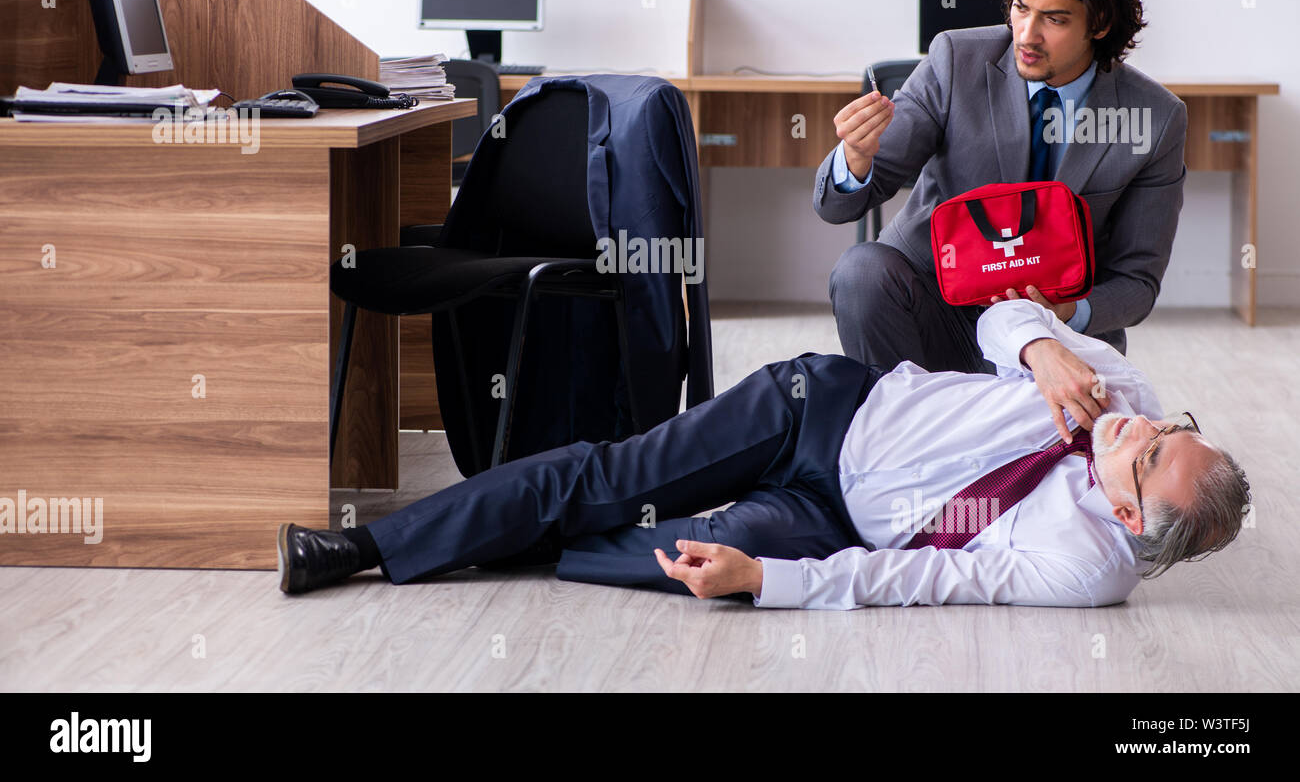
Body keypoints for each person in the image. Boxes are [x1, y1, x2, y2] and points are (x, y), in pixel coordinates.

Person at [277, 299, 1249, 609]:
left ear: (1128, 519)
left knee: (702, 557)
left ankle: (516, 537)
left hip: (835, 518)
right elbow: (1002, 313)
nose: (1135, 426)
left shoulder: (1081, 569)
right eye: (1166, 429)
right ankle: (366, 548)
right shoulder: (1116, 391)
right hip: (819, 413)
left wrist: (770, 580)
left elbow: (921, 584)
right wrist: (1041, 351)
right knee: (612, 478)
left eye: (1143, 455)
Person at [814, 0, 1187, 372]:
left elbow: (1137, 282)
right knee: (861, 271)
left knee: (1043, 439)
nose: (1026, 35)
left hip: (1053, 332)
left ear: (1101, 23)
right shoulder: (955, 60)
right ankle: (895, 431)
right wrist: (855, 157)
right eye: (1020, 8)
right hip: (935, 304)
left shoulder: (1155, 117)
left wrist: (1064, 312)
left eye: (1054, 19)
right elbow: (839, 209)